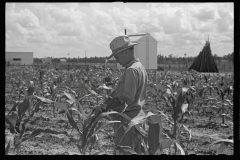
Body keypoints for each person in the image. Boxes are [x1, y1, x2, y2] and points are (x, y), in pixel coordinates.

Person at [107, 35, 148, 155]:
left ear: (125, 52)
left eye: (117, 56)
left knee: (124, 152)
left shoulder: (131, 70)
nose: (117, 60)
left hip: (127, 120)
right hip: (138, 116)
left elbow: (127, 99)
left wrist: (109, 106)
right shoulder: (140, 67)